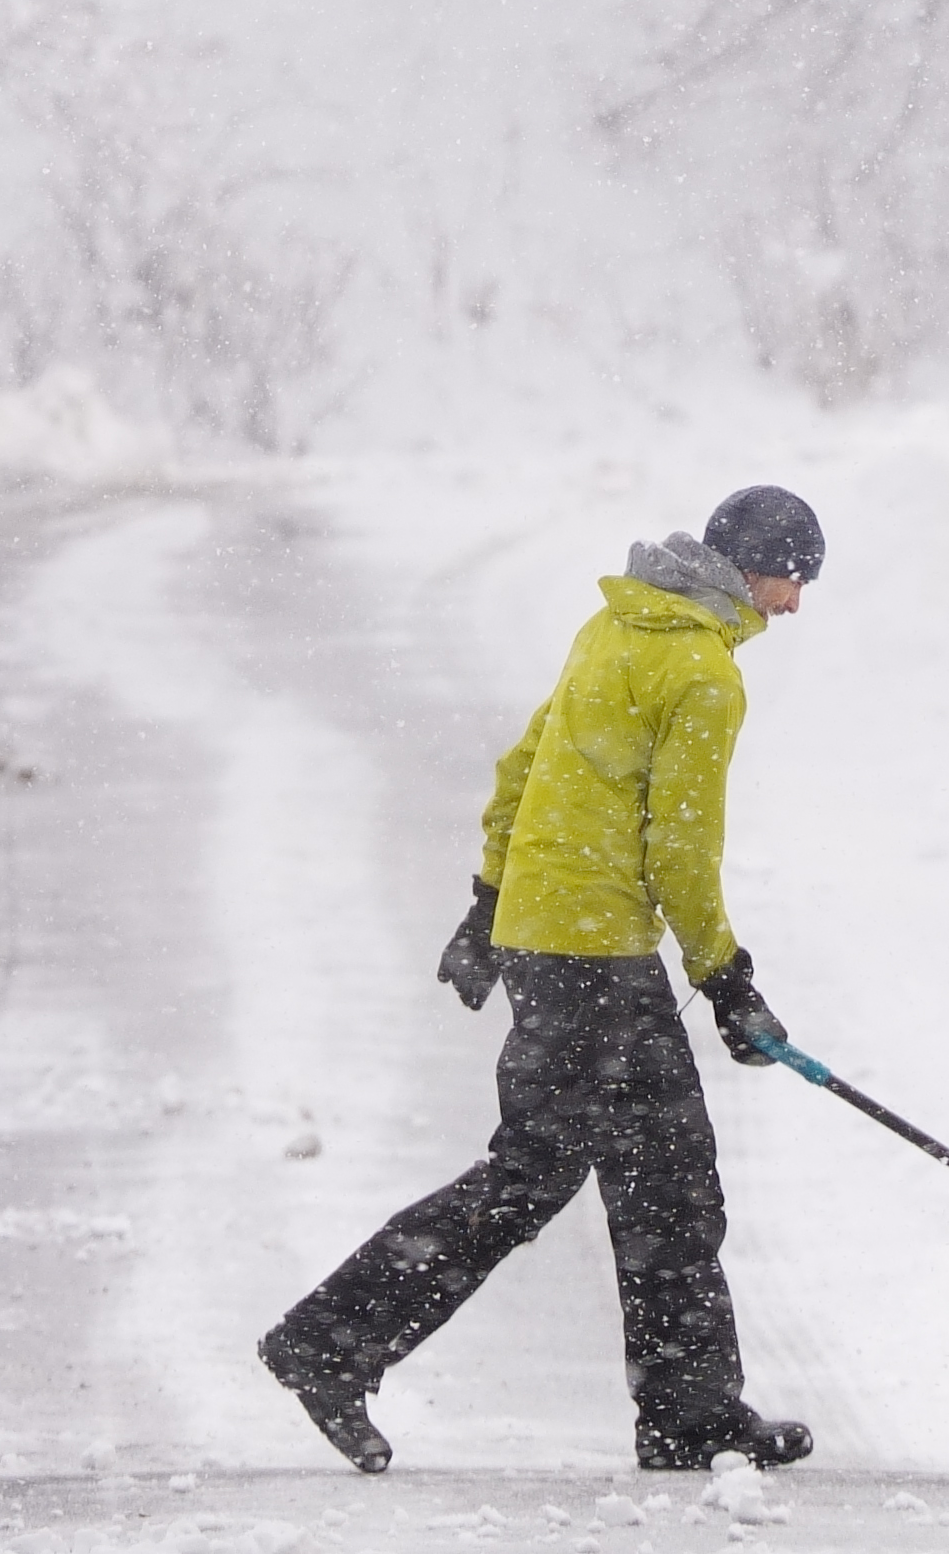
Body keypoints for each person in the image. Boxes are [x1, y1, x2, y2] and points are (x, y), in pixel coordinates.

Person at [258, 484, 827, 1476]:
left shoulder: (611, 629)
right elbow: (679, 849)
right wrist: (724, 974)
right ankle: (338, 1341)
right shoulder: (701, 673)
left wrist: (492, 902)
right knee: (651, 1184)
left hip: (546, 940)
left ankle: (345, 1340)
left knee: (585, 1177)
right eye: (793, 578)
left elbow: (522, 767)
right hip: (599, 954)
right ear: (755, 566)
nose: (793, 604)